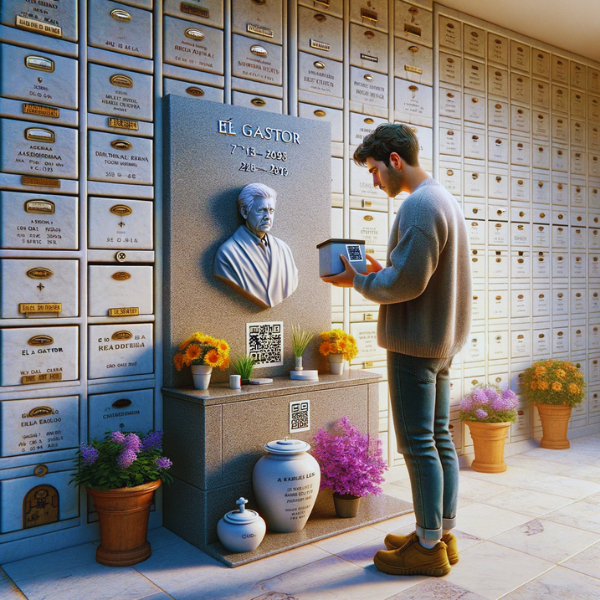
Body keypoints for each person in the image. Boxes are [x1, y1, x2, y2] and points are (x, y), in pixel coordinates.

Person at [321, 123, 472, 577]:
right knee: (439, 438)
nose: (374, 181)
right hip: (440, 341)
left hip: (415, 344)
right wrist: (380, 269)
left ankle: (426, 550)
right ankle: (440, 534)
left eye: (373, 170)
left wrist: (358, 280)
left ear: (395, 161)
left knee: (418, 443)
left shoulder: (419, 206)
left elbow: (407, 283)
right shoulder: (443, 199)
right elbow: (416, 272)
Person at [214, 183, 298, 309]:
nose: (268, 217)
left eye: (271, 211)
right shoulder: (227, 253)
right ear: (244, 212)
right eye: (261, 210)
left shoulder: (284, 249)